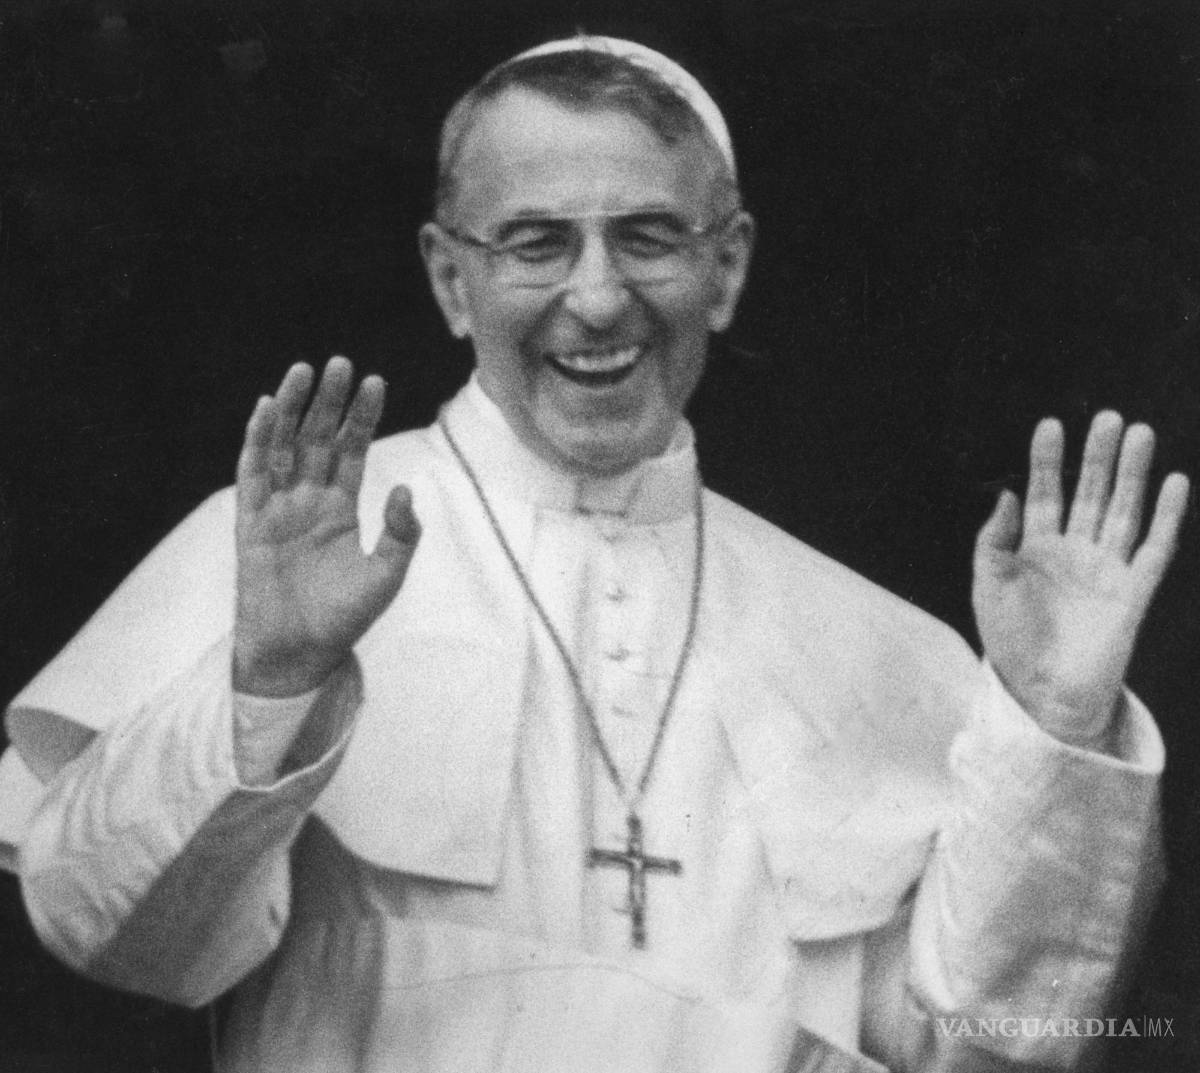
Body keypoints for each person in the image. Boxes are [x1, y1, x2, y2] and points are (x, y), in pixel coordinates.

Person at [0, 34, 1189, 1073]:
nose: (599, 296)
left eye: (650, 237)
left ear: (726, 269)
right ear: (449, 277)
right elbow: (113, 937)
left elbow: (978, 1049)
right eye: (533, 242)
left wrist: (1053, 730)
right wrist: (268, 686)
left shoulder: (872, 638)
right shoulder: (289, 561)